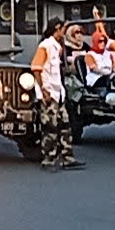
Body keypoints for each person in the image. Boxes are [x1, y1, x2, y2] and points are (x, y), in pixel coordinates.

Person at [30, 18, 85, 172]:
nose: (64, 32)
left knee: (65, 126)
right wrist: (44, 90)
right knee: (50, 128)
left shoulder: (57, 47)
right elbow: (36, 68)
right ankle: (48, 160)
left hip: (58, 92)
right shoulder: (45, 46)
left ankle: (67, 158)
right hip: (49, 94)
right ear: (57, 28)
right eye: (63, 29)